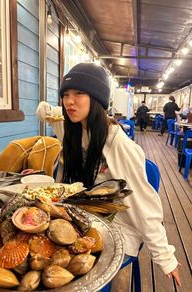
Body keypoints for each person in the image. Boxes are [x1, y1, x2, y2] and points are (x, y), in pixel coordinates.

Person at [37, 62, 181, 286]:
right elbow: (49, 112)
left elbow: (142, 203)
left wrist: (165, 257)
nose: (69, 101)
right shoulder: (73, 129)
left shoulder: (117, 142)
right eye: (65, 94)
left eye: (79, 93)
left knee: (68, 273)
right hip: (82, 216)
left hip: (119, 226)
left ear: (96, 99)